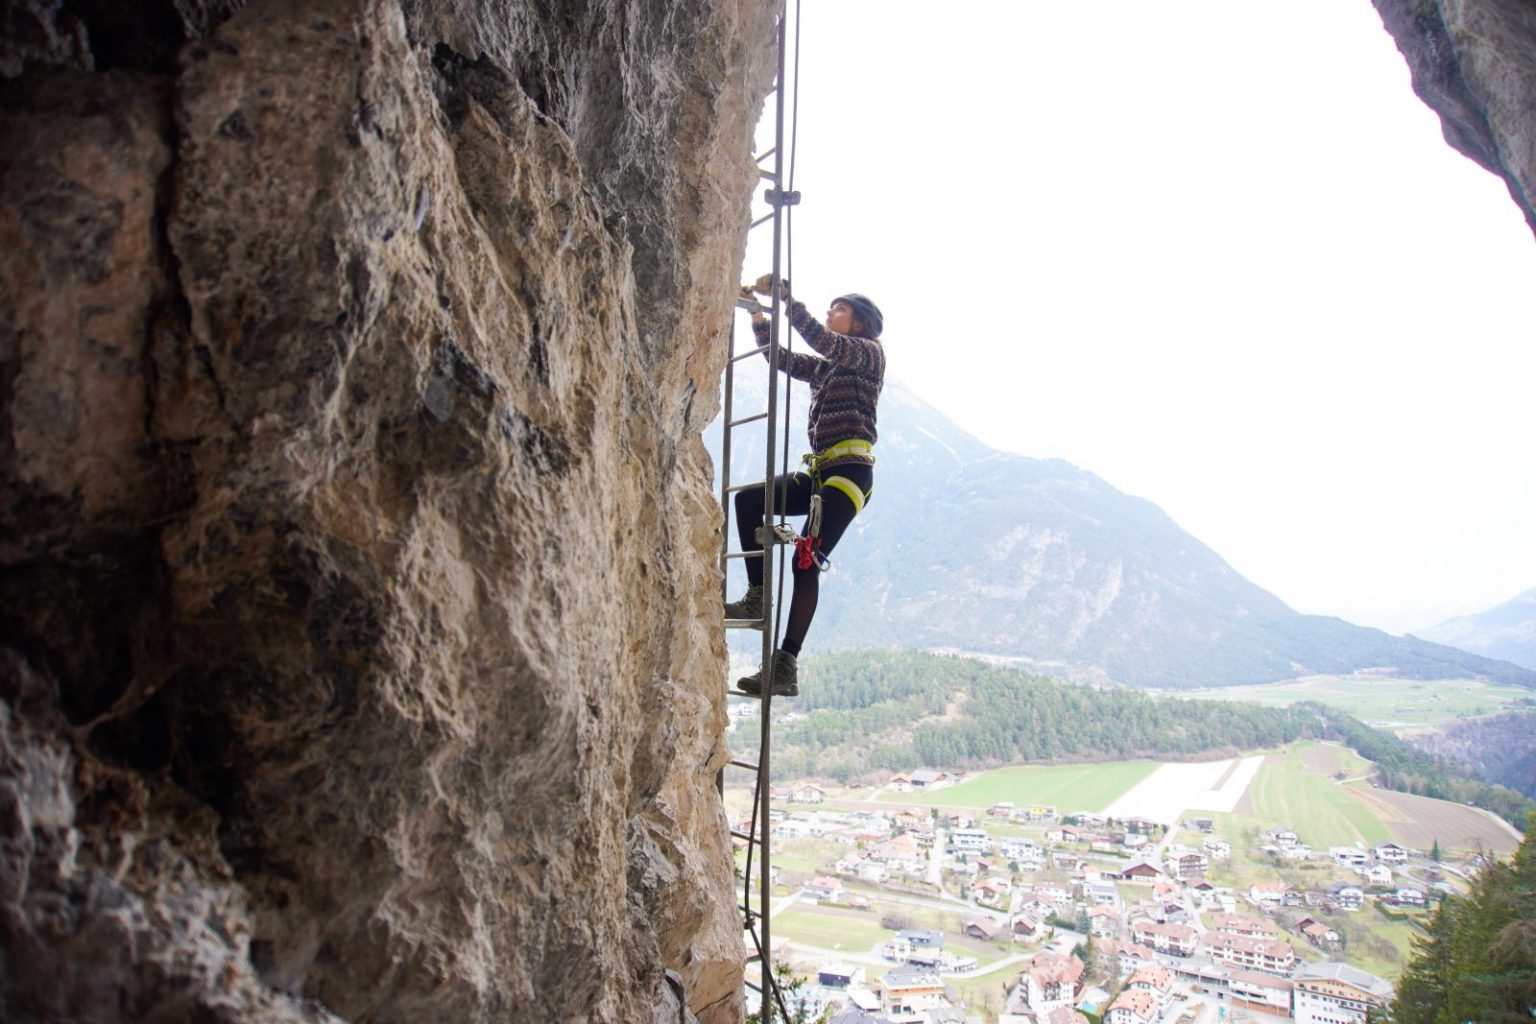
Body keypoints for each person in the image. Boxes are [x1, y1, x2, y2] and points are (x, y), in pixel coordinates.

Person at [725, 281, 885, 697]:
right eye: (831, 309)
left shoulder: (868, 354)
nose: (832, 315)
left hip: (850, 471)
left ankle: (785, 666)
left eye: (840, 310)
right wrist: (758, 316)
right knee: (748, 500)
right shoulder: (829, 366)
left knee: (806, 563)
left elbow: (822, 339)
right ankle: (757, 595)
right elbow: (780, 359)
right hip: (820, 470)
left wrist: (789, 302)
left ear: (861, 323)